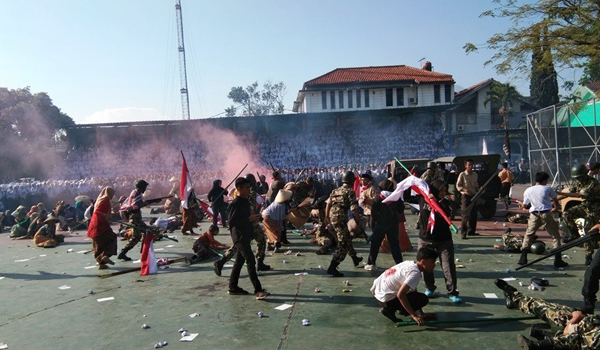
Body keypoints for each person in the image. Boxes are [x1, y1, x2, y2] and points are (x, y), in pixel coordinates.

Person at [495, 278, 600, 349]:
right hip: (585, 326)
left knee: (558, 316)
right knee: (556, 311)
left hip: (580, 335)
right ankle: (515, 297)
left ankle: (545, 344)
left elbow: (584, 340)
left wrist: (574, 320)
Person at [417, 180, 462, 303]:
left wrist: (436, 202)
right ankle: (429, 287)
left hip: (443, 240)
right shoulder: (423, 199)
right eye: (440, 190)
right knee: (426, 266)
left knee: (447, 266)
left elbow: (446, 214)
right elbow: (409, 193)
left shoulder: (446, 203)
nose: (443, 193)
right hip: (426, 238)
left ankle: (452, 291)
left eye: (444, 190)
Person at [370, 247, 439, 324]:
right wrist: (414, 315)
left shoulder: (409, 263)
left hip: (378, 293)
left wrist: (421, 314)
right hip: (385, 298)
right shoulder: (415, 273)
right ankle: (390, 309)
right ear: (423, 262)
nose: (434, 265)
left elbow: (413, 290)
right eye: (433, 262)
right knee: (423, 299)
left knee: (416, 297)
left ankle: (396, 308)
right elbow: (401, 295)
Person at [225, 177, 269, 300]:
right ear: (239, 189)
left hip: (245, 235)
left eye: (249, 187)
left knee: (239, 262)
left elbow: (246, 217)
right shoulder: (235, 203)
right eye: (246, 187)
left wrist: (255, 217)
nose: (249, 189)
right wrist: (249, 219)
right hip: (239, 237)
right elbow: (232, 222)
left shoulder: (245, 201)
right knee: (250, 260)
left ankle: (233, 287)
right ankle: (258, 290)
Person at [516, 172, 568, 268]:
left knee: (529, 235)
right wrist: (556, 207)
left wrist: (520, 204)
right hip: (546, 214)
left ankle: (523, 257)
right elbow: (555, 199)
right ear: (544, 180)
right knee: (555, 236)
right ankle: (558, 259)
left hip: (534, 215)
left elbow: (526, 205)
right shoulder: (547, 189)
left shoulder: (528, 190)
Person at [558, 164, 600, 265]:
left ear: (584, 175)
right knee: (567, 214)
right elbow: (571, 191)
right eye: (577, 178)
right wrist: (554, 199)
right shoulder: (578, 182)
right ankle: (573, 235)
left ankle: (588, 255)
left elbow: (579, 194)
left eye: (580, 177)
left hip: (595, 207)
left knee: (587, 228)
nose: (579, 179)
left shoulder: (593, 183)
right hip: (585, 205)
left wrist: (562, 194)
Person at [325, 171, 363, 277]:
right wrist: (358, 220)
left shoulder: (335, 190)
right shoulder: (350, 191)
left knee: (345, 237)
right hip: (341, 217)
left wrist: (327, 217)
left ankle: (354, 258)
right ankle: (332, 267)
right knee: (343, 243)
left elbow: (328, 204)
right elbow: (354, 208)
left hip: (333, 216)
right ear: (352, 181)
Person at [117, 180, 161, 261]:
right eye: (145, 187)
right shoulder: (137, 194)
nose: (145, 188)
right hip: (135, 217)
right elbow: (137, 205)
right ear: (142, 187)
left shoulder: (134, 192)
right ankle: (143, 252)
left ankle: (126, 253)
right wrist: (151, 202)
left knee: (140, 235)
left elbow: (138, 204)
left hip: (134, 217)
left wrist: (151, 201)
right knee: (145, 233)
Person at [365, 179, 403, 271]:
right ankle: (400, 264)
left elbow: (373, 213)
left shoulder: (379, 198)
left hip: (381, 225)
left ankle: (371, 263)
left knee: (375, 245)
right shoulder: (396, 198)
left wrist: (372, 226)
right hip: (393, 225)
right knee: (395, 246)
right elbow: (401, 210)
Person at [87, 187, 117, 270]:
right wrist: (105, 215)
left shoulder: (100, 200)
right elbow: (98, 212)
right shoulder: (105, 201)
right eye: (112, 194)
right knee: (112, 238)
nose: (112, 196)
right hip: (100, 224)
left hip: (95, 223)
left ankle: (101, 264)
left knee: (98, 243)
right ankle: (105, 256)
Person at [456, 159, 479, 239]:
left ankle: (471, 231)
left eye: (472, 165)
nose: (471, 167)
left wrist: (479, 190)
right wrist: (465, 190)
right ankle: (463, 232)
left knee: (474, 214)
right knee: (465, 214)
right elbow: (458, 186)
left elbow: (476, 185)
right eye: (469, 165)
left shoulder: (475, 174)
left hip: (474, 195)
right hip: (466, 196)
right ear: (466, 165)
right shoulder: (462, 174)